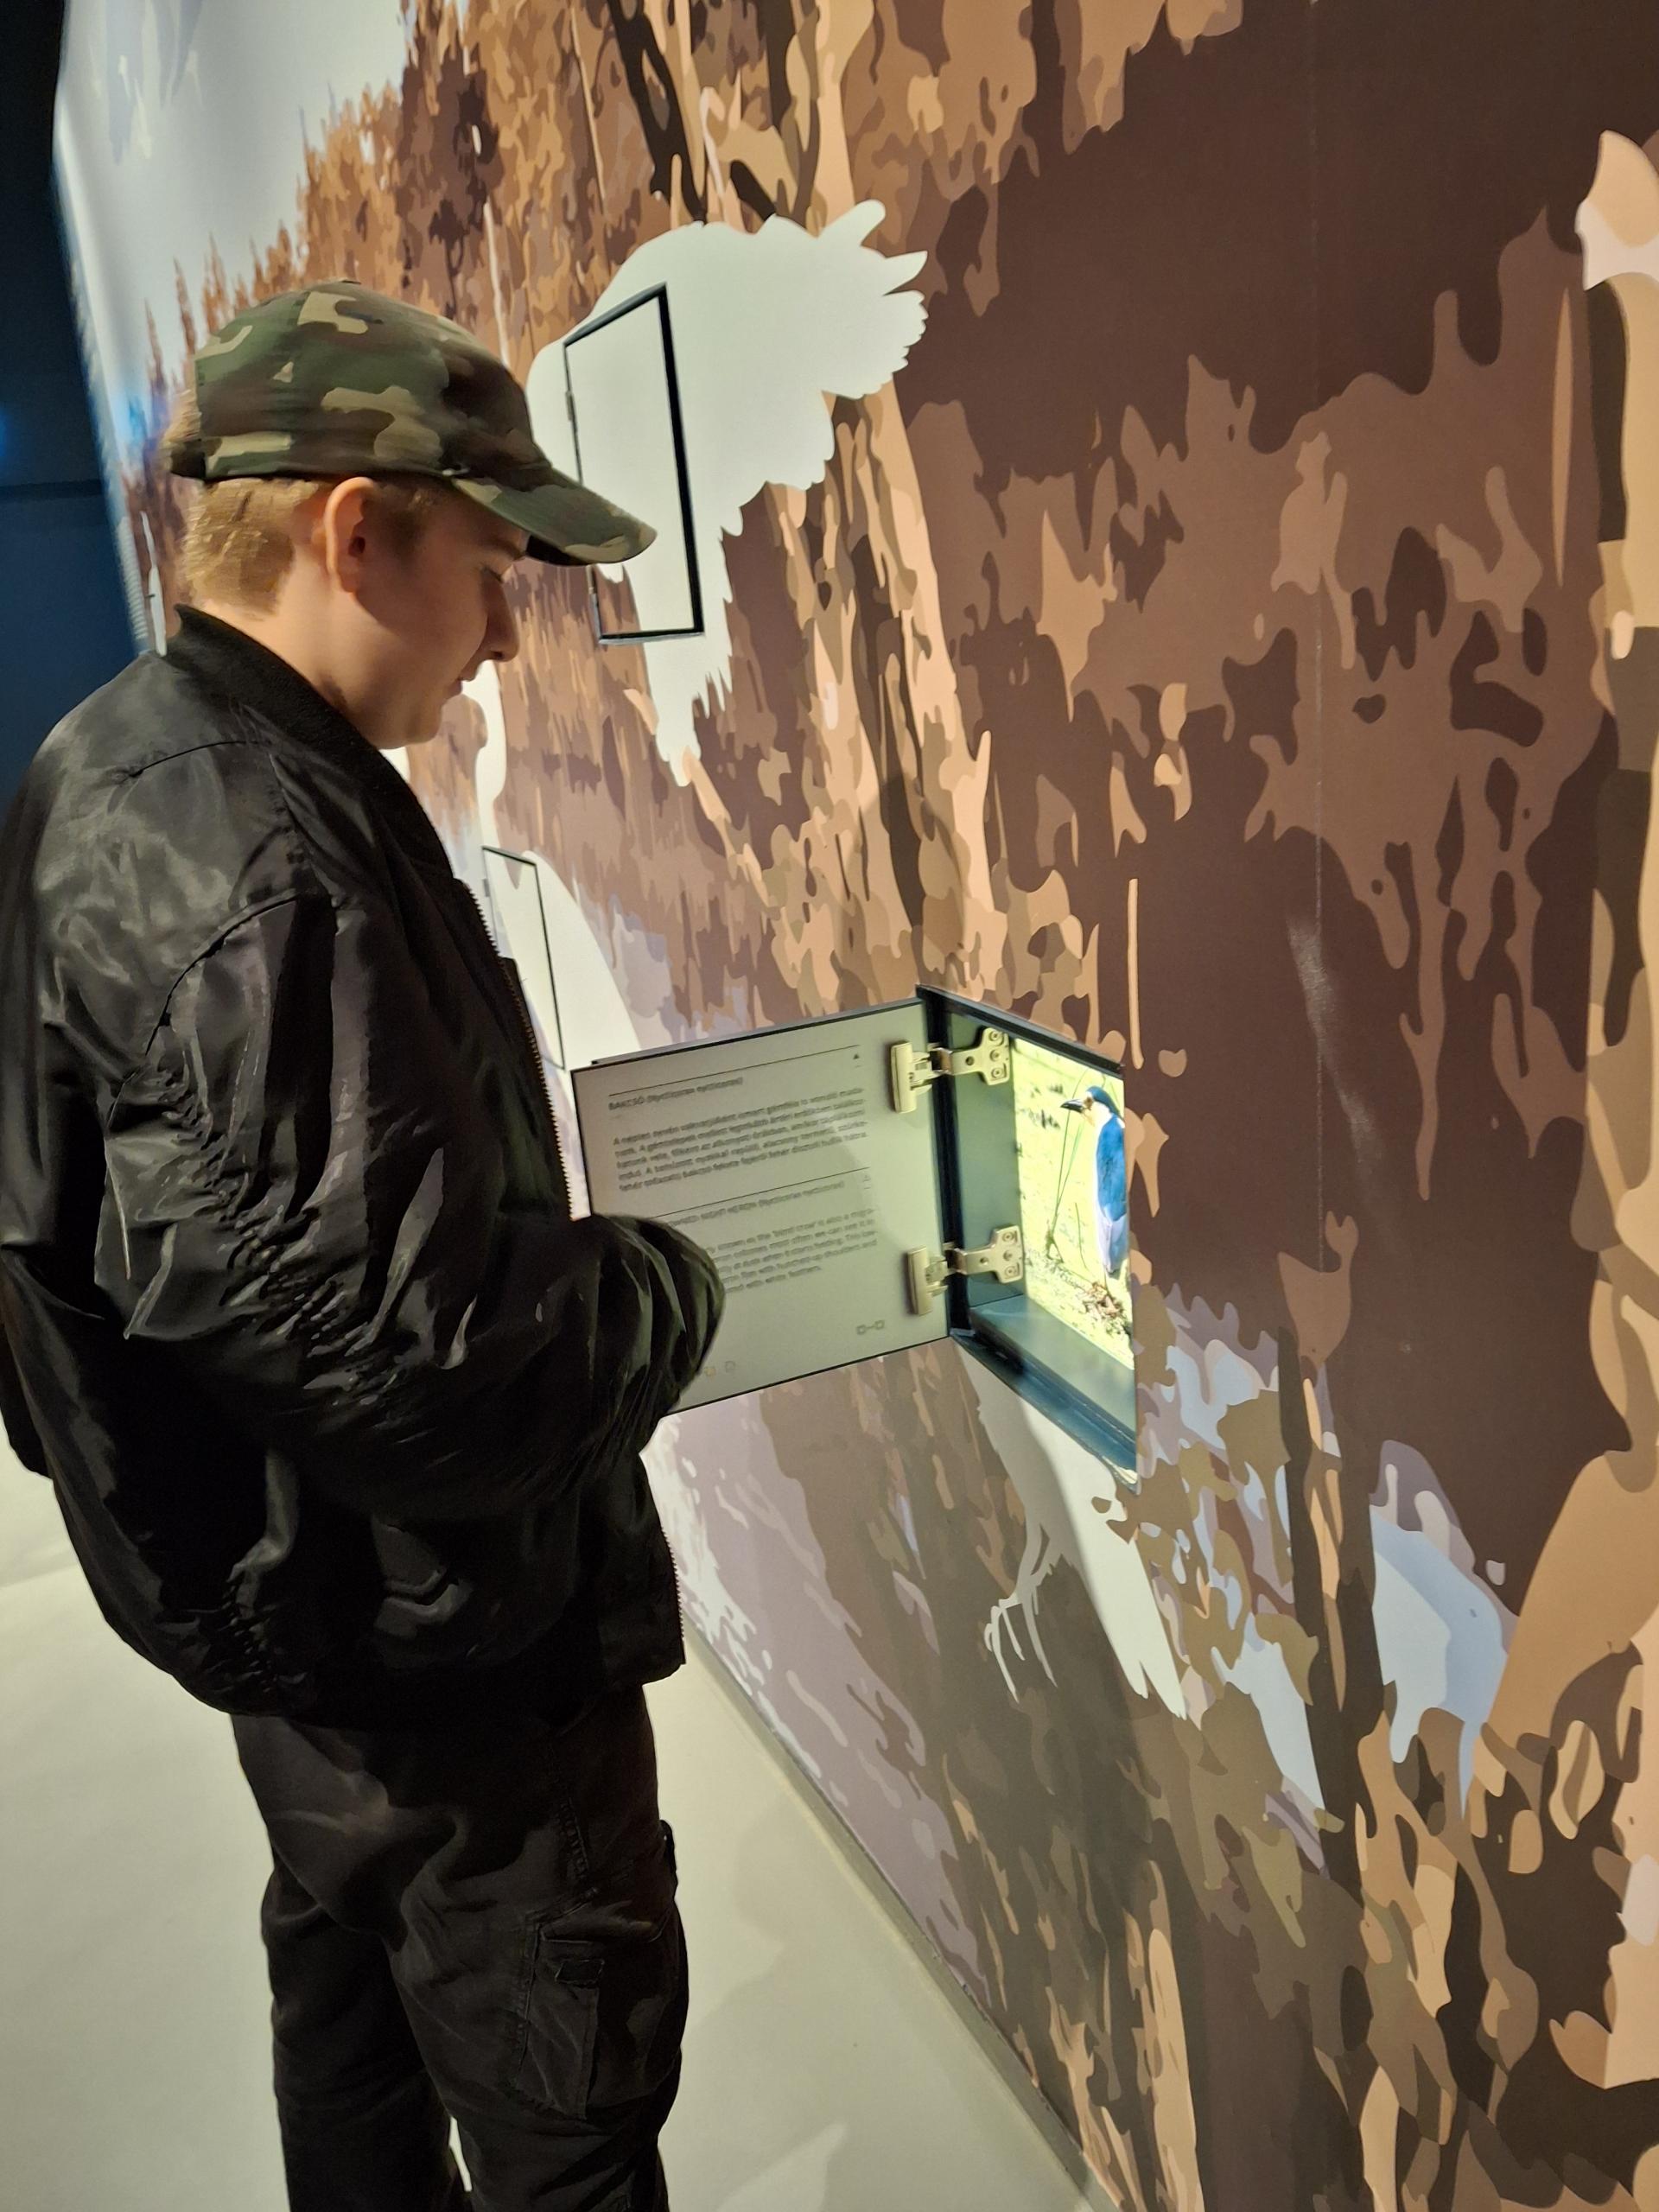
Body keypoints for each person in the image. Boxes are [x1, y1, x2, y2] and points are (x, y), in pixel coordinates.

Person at [0, 280, 723, 2212]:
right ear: (353, 534)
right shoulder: (266, 868)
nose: (503, 634)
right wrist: (674, 1284)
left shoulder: (124, 759)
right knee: (564, 2124)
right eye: (491, 568)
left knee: (357, 2039)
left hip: (307, 1625)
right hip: (436, 1664)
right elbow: (438, 1374)